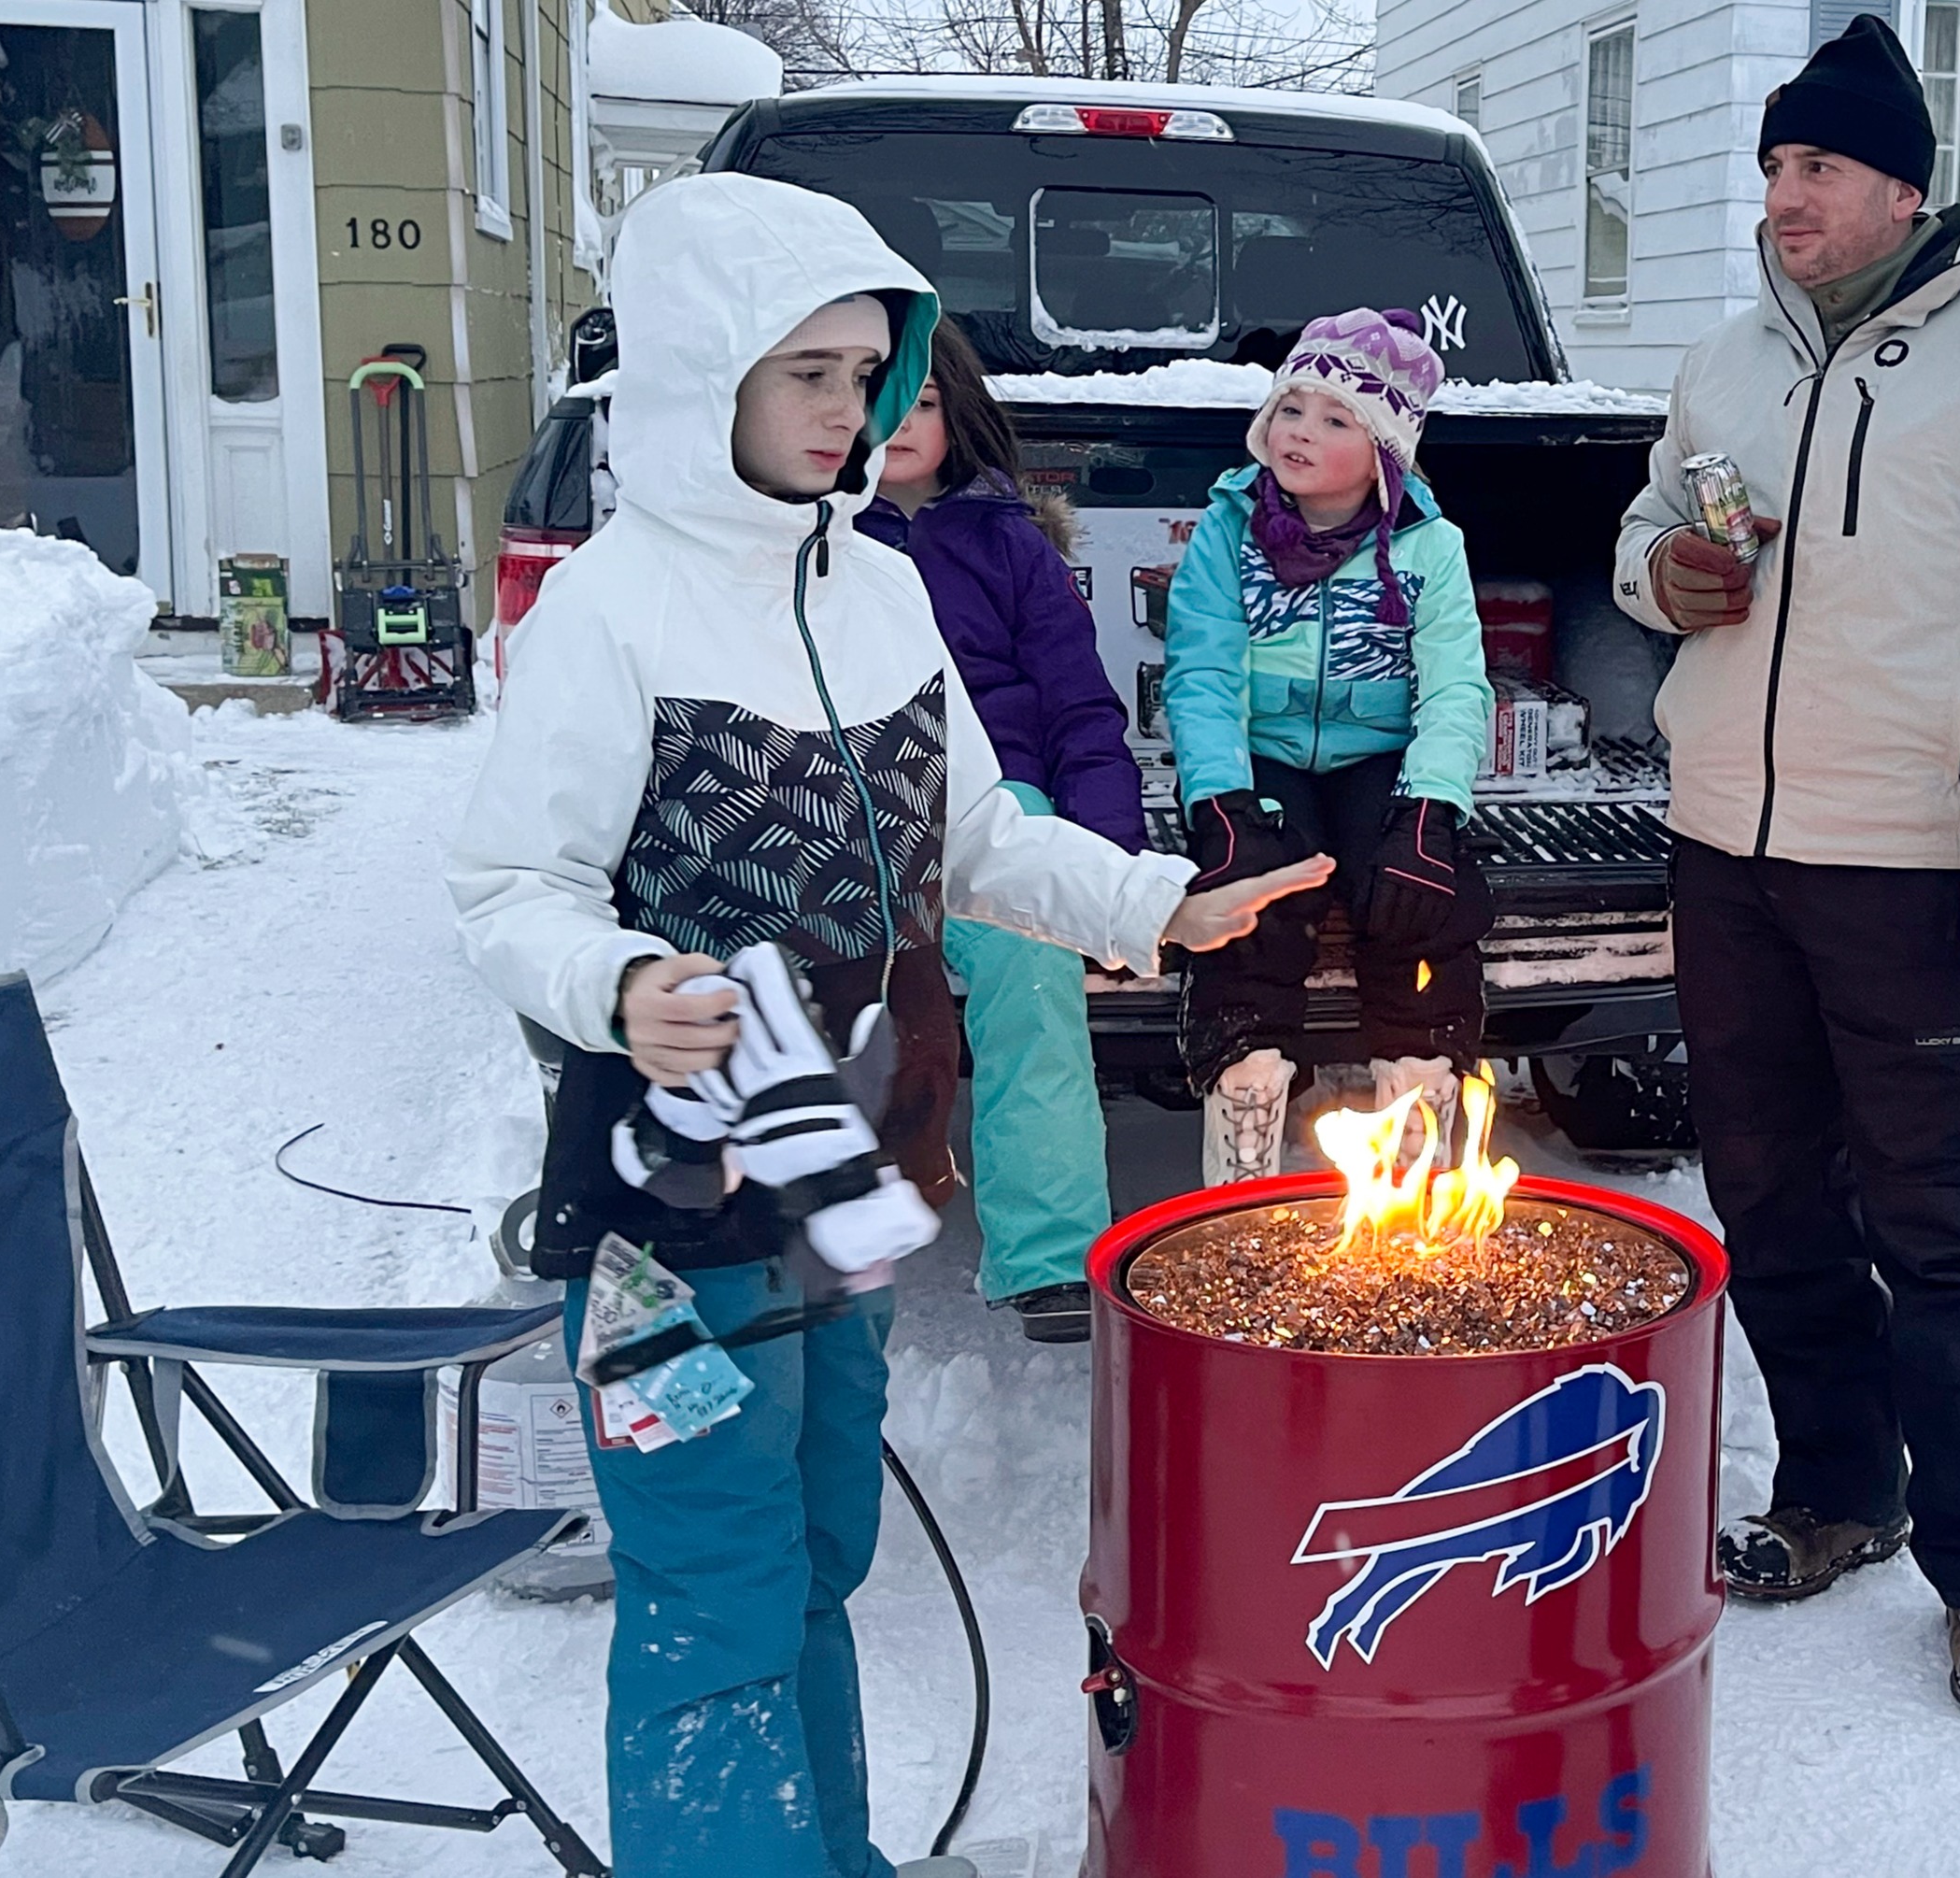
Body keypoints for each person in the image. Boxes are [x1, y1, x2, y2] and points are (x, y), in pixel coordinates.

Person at [446, 172, 1327, 1878]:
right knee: (713, 1586)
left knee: (823, 1546)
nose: (853, 408)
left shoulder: (881, 588)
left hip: (841, 1176)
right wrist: (620, 986)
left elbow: (977, 839)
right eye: (812, 374)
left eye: (870, 371)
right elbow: (506, 890)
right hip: (668, 1208)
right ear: (710, 374)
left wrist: (1159, 905)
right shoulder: (614, 610)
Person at [1607, 11, 1960, 1718]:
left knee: (1943, 1214)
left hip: (1909, 854)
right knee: (1763, 1191)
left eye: (1815, 164)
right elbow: (1641, 537)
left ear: (1902, 183)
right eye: (1770, 166)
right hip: (1726, 842)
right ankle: (1839, 1488)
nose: (1784, 195)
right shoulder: (1727, 356)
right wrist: (1661, 575)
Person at [1164, 308, 1496, 1183]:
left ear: (1385, 450)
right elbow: (1200, 675)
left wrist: (1430, 809)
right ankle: (1246, 1083)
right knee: (1258, 893)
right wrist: (1221, 803)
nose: (1298, 432)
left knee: (1417, 898)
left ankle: (1418, 1093)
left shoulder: (1430, 545)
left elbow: (1456, 685)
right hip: (1260, 750)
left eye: (1334, 419)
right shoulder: (1227, 530)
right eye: (1290, 408)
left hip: (1377, 753)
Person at [859, 320, 1141, 1345]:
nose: (897, 423)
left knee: (1031, 970)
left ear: (958, 419)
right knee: (827, 993)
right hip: (846, 803)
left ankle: (1051, 1253)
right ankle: (812, 1236)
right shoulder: (802, 546)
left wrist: (1103, 859)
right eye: (875, 395)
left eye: (922, 403)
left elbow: (1078, 707)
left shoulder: (1006, 544)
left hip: (1001, 810)